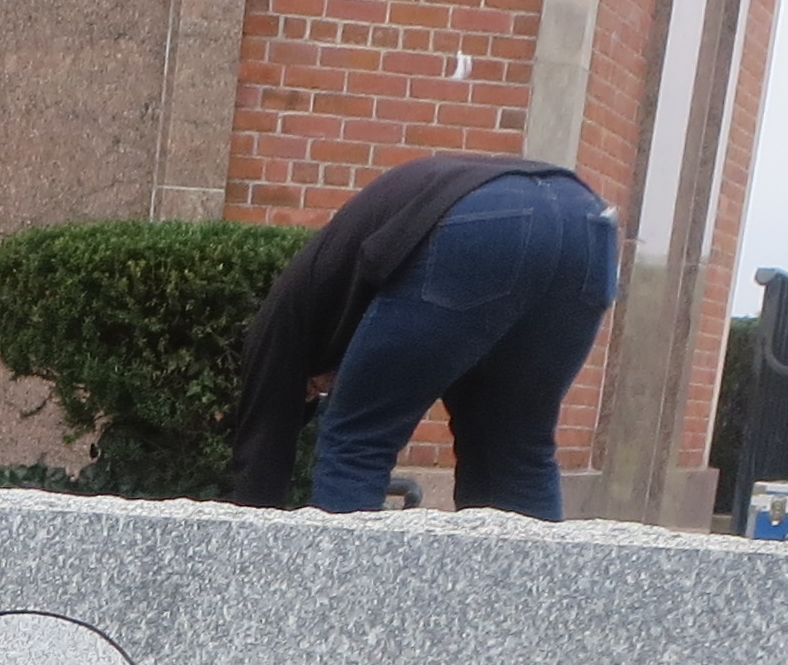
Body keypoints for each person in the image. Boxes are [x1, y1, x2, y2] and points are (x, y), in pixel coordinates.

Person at [221, 157, 618, 516]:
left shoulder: (282, 321)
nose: (324, 391)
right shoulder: (343, 284)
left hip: (483, 224)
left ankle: (342, 596)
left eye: (313, 391)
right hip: (589, 223)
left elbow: (261, 452)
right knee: (514, 450)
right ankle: (522, 596)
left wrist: (252, 556)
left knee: (357, 442)